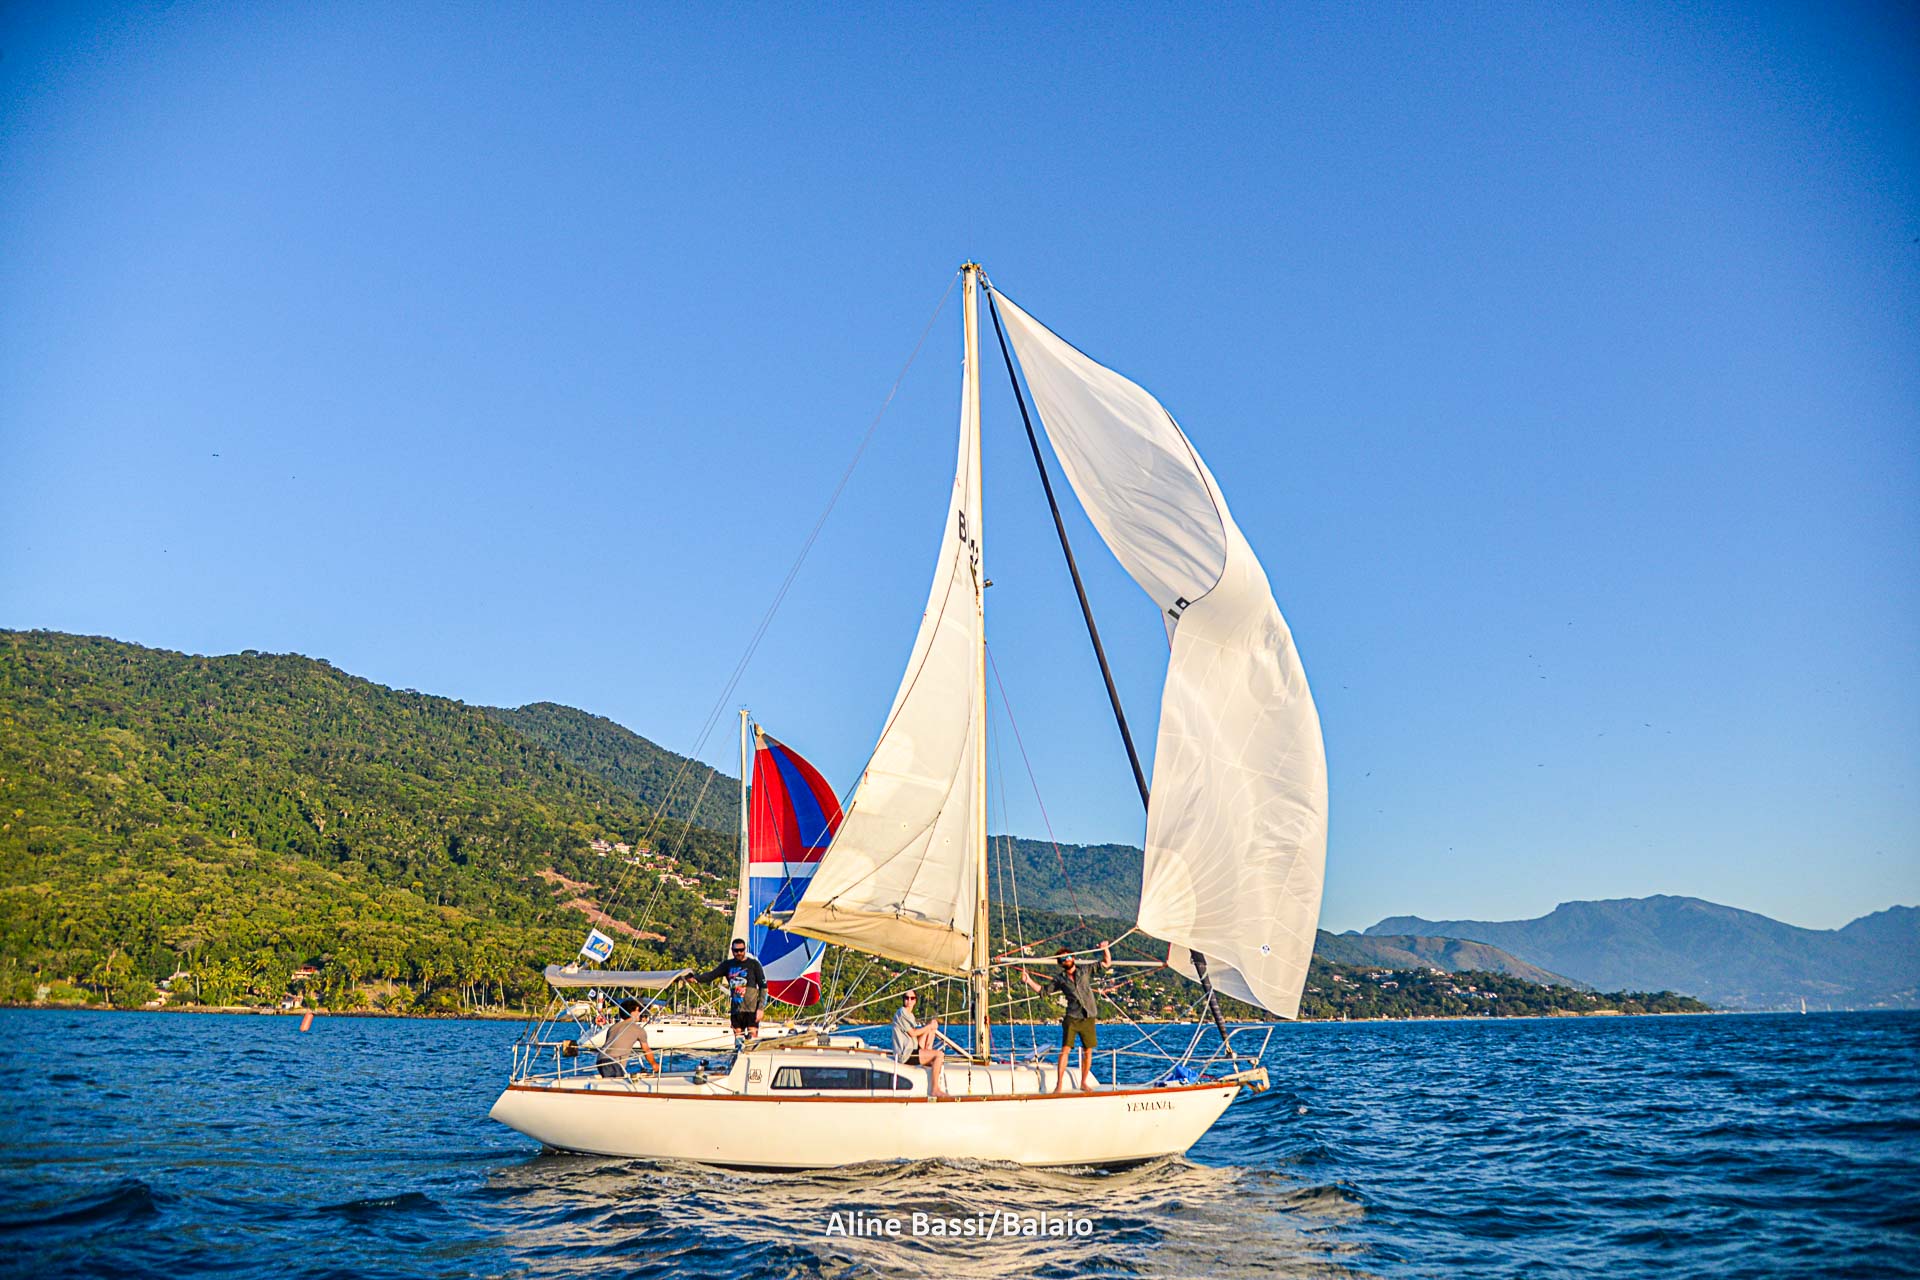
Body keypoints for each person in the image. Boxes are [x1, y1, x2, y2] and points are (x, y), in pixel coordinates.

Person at [1021, 941, 1112, 1092]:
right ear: (1060, 963)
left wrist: (1105, 949)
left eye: (1068, 957)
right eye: (1063, 959)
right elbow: (1043, 991)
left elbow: (1106, 963)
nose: (1066, 960)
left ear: (1073, 958)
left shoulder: (1085, 970)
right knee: (1065, 1050)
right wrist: (1028, 980)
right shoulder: (1060, 979)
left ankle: (1083, 1082)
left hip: (1088, 1015)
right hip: (1072, 1017)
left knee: (1088, 1051)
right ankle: (1059, 1084)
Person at [684, 938, 767, 1048]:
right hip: (736, 1009)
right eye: (736, 951)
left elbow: (763, 987)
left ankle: (751, 1055)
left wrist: (761, 1008)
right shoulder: (728, 965)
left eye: (741, 950)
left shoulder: (754, 964)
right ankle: (738, 1054)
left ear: (745, 949)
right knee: (738, 1037)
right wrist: (696, 979)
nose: (739, 953)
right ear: (732, 950)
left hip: (751, 1009)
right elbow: (711, 975)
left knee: (752, 1037)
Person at [890, 991, 950, 1098]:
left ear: (915, 1000)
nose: (909, 1000)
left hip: (912, 1048)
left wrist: (931, 1027)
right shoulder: (902, 1013)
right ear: (903, 999)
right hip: (906, 1054)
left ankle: (928, 1053)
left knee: (931, 1028)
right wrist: (929, 1026)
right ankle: (935, 1089)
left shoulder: (910, 1015)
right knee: (939, 1055)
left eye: (912, 998)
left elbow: (915, 1035)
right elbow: (913, 1033)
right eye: (907, 998)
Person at [595, 997, 660, 1078]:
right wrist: (654, 1064)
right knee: (616, 1082)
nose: (640, 1013)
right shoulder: (638, 1029)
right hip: (613, 1061)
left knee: (612, 1080)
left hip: (601, 1058)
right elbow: (646, 1050)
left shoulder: (613, 1027)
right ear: (632, 1012)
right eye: (638, 1010)